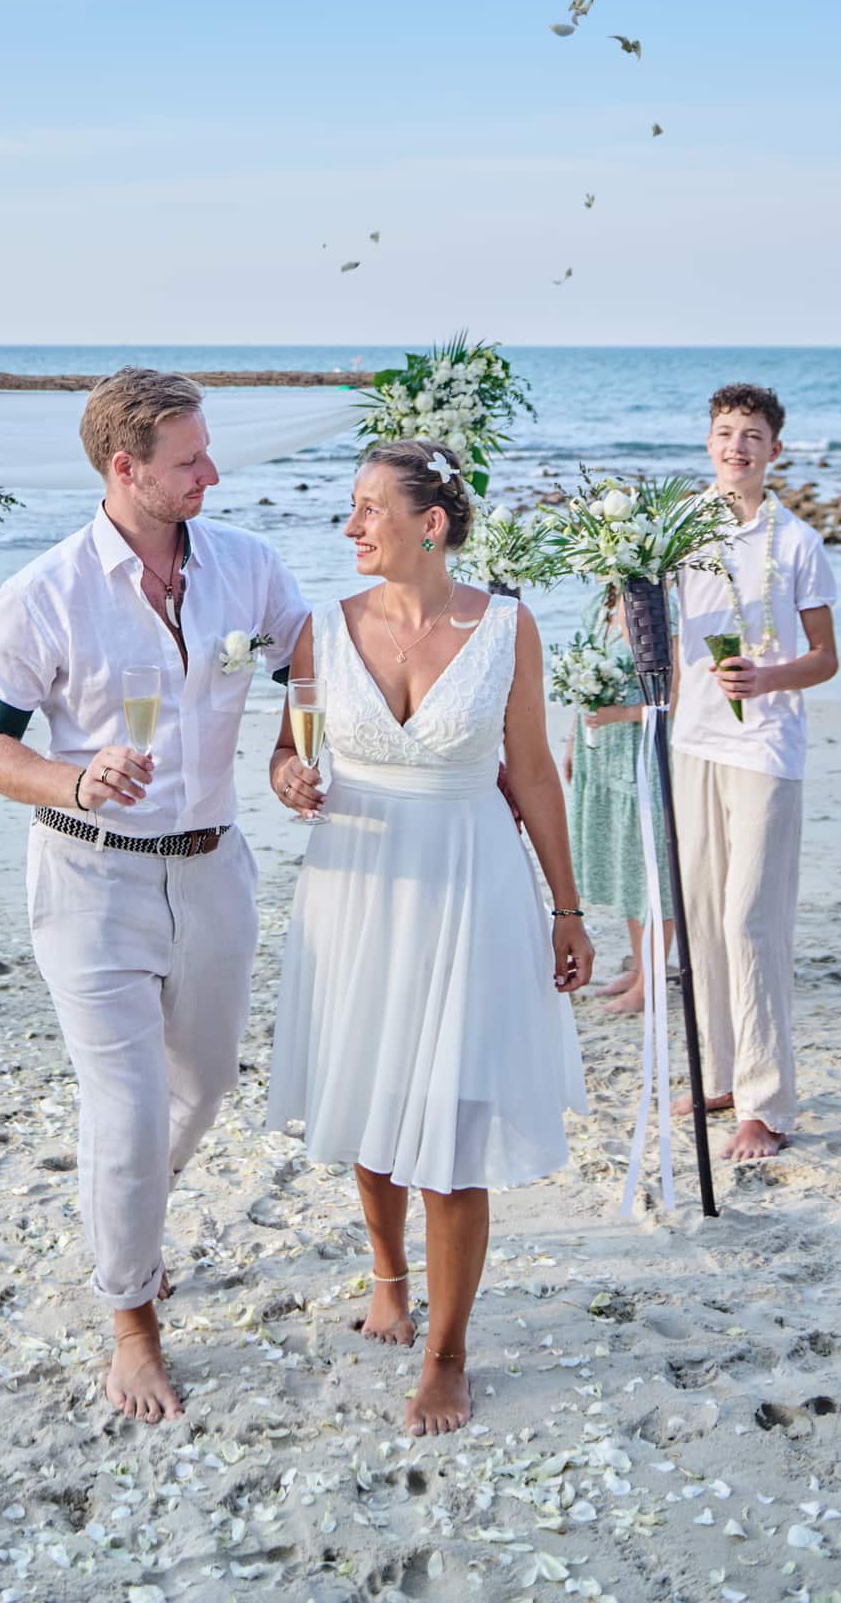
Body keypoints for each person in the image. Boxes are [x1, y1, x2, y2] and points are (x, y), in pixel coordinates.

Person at [0, 368, 311, 1426]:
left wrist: (296, 748)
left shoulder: (248, 566)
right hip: (89, 878)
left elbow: (309, 659)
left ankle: (125, 1230)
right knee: (128, 1105)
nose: (212, 471)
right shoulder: (46, 591)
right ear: (126, 469)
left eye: (207, 451)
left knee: (200, 1087)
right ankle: (132, 1321)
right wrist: (75, 777)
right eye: (189, 459)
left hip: (215, 868)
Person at [265, 440, 592, 1438]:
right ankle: (388, 1272)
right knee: (369, 1095)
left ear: (431, 524)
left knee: (453, 1123)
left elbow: (532, 771)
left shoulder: (506, 627)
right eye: (353, 509)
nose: (353, 526)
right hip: (357, 887)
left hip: (470, 884)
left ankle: (448, 1352)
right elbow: (288, 750)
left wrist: (568, 908)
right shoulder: (323, 629)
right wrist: (290, 779)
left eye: (370, 508)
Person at [673, 383, 839, 1162]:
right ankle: (719, 1077)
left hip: (766, 748)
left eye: (750, 435)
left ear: (774, 449)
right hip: (692, 742)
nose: (734, 445)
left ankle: (765, 1105)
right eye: (723, 432)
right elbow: (642, 619)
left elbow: (825, 658)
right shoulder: (678, 530)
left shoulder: (798, 541)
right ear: (708, 443)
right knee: (701, 917)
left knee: (749, 921)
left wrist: (768, 679)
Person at [563, 587, 674, 1015]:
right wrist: (573, 742)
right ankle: (639, 968)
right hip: (602, 754)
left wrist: (620, 716)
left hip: (642, 753)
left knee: (653, 869)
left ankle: (652, 983)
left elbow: (676, 697)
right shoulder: (600, 604)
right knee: (629, 866)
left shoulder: (663, 607)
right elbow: (582, 685)